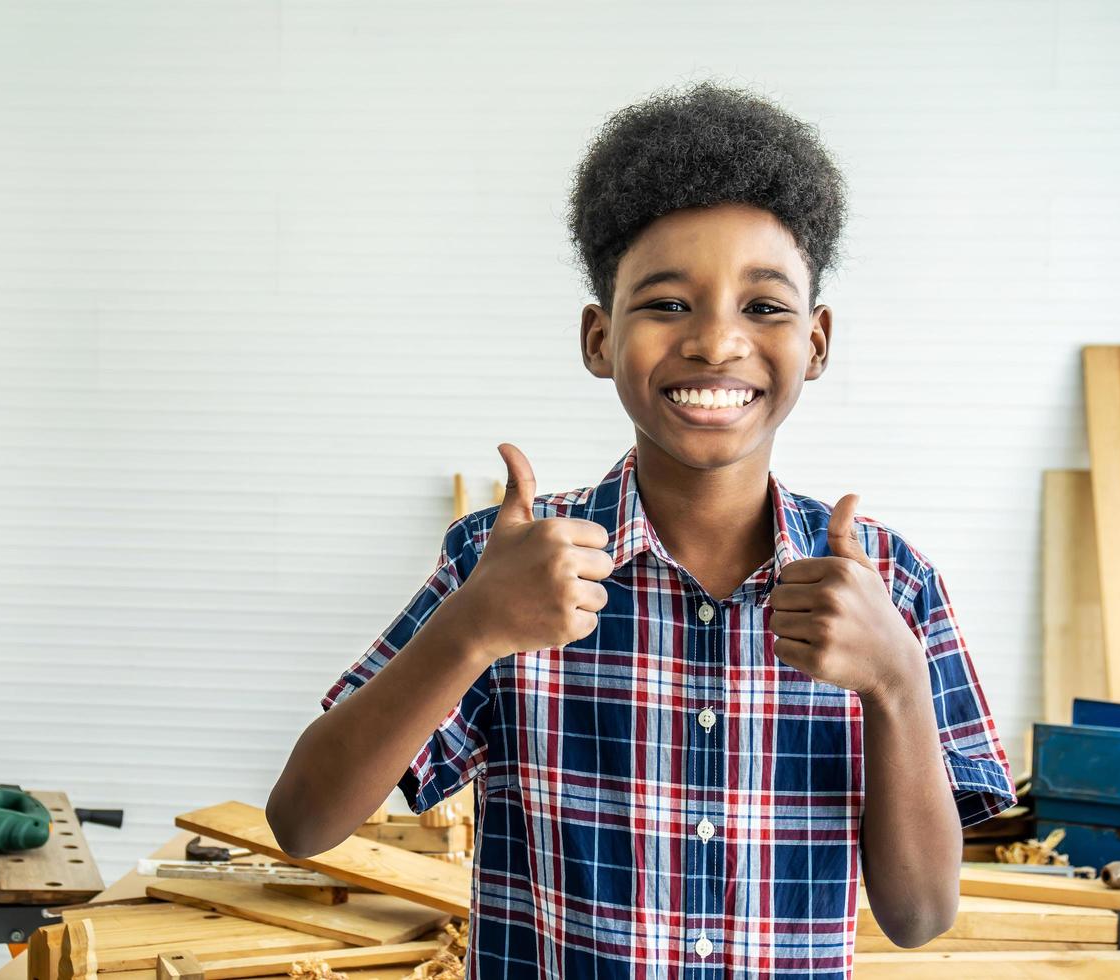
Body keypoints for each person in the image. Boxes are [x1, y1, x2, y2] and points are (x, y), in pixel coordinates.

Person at [267, 79, 1017, 979]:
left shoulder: (889, 586)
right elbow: (303, 820)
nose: (715, 341)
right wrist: (471, 629)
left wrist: (896, 682)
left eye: (764, 306)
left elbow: (921, 916)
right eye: (667, 303)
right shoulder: (500, 565)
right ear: (598, 337)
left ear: (815, 343)